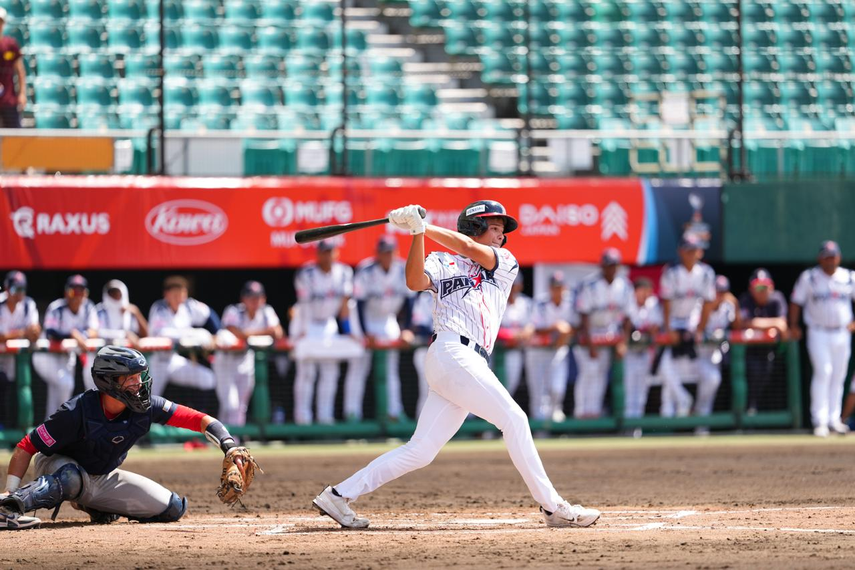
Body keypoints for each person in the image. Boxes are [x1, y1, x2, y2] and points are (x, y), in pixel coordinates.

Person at [312, 201, 600, 530]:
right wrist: (417, 235)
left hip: (465, 360)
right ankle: (553, 507)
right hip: (450, 351)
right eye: (494, 229)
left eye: (501, 232)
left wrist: (422, 226)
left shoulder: (505, 262)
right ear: (475, 226)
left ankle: (338, 494)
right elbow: (414, 281)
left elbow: (466, 246)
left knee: (420, 451)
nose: (501, 237)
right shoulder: (440, 259)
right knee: (515, 419)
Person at [0, 346, 254, 531]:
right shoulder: (75, 411)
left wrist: (228, 445)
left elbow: (198, 419)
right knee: (71, 478)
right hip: (56, 464)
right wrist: (10, 492)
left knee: (172, 508)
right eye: (131, 378)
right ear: (109, 382)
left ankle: (95, 506)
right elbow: (26, 447)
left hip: (101, 476)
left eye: (140, 376)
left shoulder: (146, 406)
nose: (139, 383)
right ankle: (8, 508)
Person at [292, 241, 363, 425]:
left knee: (330, 373)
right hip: (308, 322)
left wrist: (347, 330)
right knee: (306, 373)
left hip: (329, 325)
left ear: (336, 253)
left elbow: (346, 303)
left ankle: (325, 418)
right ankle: (303, 419)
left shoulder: (345, 272)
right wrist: (303, 332)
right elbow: (304, 306)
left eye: (330, 251)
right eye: (324, 252)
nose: (327, 255)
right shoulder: (306, 273)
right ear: (318, 254)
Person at [789, 240, 855, 437]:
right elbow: (795, 302)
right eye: (826, 256)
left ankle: (834, 420)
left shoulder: (849, 277)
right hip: (818, 331)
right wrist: (794, 325)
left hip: (842, 332)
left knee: (839, 375)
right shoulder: (809, 277)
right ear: (820, 258)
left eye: (833, 256)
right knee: (823, 372)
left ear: (839, 257)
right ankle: (820, 420)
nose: (830, 260)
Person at [350, 235, 413, 422]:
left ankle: (394, 412)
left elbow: (410, 302)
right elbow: (359, 304)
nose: (387, 256)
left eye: (390, 252)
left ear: (396, 252)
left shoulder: (402, 269)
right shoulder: (366, 269)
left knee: (391, 370)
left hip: (388, 320)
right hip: (366, 319)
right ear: (378, 254)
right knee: (359, 368)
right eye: (384, 252)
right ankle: (352, 413)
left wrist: (406, 329)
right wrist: (364, 332)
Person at [655, 236, 716, 417]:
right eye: (687, 250)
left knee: (711, 376)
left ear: (700, 251)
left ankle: (701, 414)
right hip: (673, 320)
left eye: (694, 250)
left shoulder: (706, 272)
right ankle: (680, 400)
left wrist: (700, 329)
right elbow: (666, 303)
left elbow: (708, 303)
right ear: (680, 251)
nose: (691, 254)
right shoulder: (671, 271)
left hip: (692, 321)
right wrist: (668, 330)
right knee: (663, 365)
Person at [573, 248, 633, 419]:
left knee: (600, 374)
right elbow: (583, 316)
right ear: (602, 266)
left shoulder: (625, 286)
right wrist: (591, 344)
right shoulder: (590, 285)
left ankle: (594, 412)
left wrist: (624, 342)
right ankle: (581, 412)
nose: (611, 268)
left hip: (608, 333)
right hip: (588, 334)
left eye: (614, 265)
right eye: (608, 265)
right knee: (588, 372)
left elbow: (628, 317)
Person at [213, 281, 283, 426]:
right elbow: (235, 332)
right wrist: (262, 333)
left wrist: (248, 335)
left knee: (240, 407)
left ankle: (233, 441)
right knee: (230, 405)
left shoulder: (266, 311)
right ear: (243, 299)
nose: (255, 301)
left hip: (246, 360)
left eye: (258, 297)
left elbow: (278, 332)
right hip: (226, 362)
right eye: (251, 297)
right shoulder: (233, 311)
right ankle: (222, 438)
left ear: (263, 298)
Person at [32, 275, 99, 419]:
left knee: (59, 392)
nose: (77, 295)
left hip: (67, 356)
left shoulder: (88, 307)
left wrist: (80, 335)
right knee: (66, 384)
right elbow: (51, 332)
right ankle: (56, 428)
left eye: (81, 291)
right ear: (66, 293)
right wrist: (72, 334)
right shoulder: (57, 307)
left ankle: (50, 429)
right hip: (46, 356)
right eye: (73, 291)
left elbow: (94, 331)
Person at [147, 276, 218, 399]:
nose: (178, 296)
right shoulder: (159, 307)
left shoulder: (189, 306)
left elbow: (209, 314)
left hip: (174, 360)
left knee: (208, 379)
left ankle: (199, 412)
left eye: (181, 292)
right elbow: (160, 333)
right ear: (166, 294)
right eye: (174, 293)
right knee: (148, 398)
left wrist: (216, 334)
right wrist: (191, 333)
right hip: (156, 362)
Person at [525, 271, 574, 422]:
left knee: (557, 388)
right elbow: (534, 328)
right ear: (550, 288)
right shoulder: (541, 303)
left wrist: (566, 333)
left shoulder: (570, 303)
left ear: (564, 288)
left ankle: (554, 422)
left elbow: (577, 326)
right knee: (538, 392)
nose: (557, 290)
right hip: (537, 351)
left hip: (557, 350)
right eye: (554, 287)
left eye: (559, 287)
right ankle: (540, 427)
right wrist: (555, 327)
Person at [738, 268, 788, 414]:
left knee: (772, 387)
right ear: (751, 288)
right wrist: (773, 324)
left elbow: (783, 324)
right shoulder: (745, 299)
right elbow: (743, 323)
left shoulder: (777, 299)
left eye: (764, 286)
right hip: (748, 354)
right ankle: (745, 415)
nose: (761, 290)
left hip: (773, 354)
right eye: (758, 287)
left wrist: (759, 324)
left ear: (771, 287)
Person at [0, 271, 40, 429]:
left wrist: (33, 332)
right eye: (16, 289)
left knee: (19, 393)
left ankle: (15, 430)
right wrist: (22, 332)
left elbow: (35, 331)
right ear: (7, 288)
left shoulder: (28, 305)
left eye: (22, 289)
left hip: (17, 359)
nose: (19, 293)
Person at [623, 277, 662, 419]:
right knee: (628, 391)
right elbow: (625, 326)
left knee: (641, 393)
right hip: (629, 353)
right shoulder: (628, 302)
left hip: (645, 352)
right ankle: (627, 426)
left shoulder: (653, 304)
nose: (645, 294)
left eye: (648, 291)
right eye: (642, 291)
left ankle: (636, 428)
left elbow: (655, 328)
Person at [497, 274, 534, 397]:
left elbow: (531, 326)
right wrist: (511, 336)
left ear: (520, 286)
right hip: (498, 352)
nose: (512, 288)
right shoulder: (497, 302)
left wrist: (521, 335)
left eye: (515, 285)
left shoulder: (526, 303)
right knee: (496, 386)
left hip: (515, 350)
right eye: (510, 285)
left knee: (511, 386)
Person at [95, 279, 148, 348]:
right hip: (104, 354)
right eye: (111, 293)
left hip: (126, 355)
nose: (115, 295)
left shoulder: (130, 312)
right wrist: (124, 334)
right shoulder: (99, 311)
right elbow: (96, 333)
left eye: (117, 293)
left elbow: (145, 335)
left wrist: (137, 313)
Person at [407, 291, 434, 416]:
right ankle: (422, 427)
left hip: (452, 348)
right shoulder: (426, 297)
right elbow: (419, 326)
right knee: (428, 390)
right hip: (425, 348)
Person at [0, 7, 27, 128]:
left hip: (8, 99)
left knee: (15, 134)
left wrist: (22, 93)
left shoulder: (10, 44)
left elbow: (20, 70)